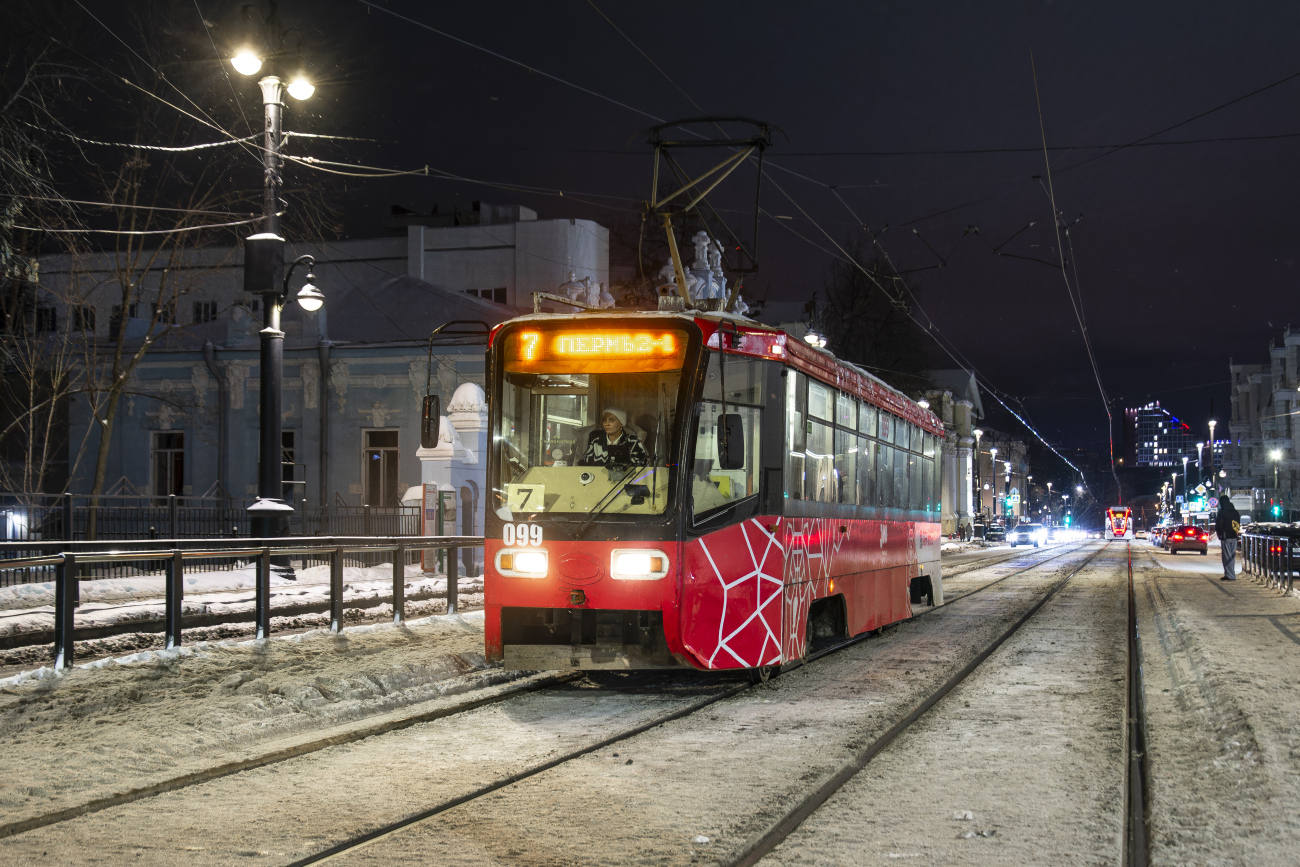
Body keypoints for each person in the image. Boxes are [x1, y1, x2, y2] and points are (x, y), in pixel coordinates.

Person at [579, 407, 649, 469]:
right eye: (604, 420)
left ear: (621, 423)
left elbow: (643, 467)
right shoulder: (596, 442)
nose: (607, 424)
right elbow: (582, 465)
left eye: (611, 420)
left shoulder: (632, 442)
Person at [1215, 491, 1241, 580]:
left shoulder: (1222, 512)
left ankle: (1229, 575)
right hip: (1233, 536)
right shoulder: (1235, 512)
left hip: (1225, 536)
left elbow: (1219, 524)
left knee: (1226, 556)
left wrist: (1220, 534)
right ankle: (1231, 573)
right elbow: (1237, 524)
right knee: (1232, 556)